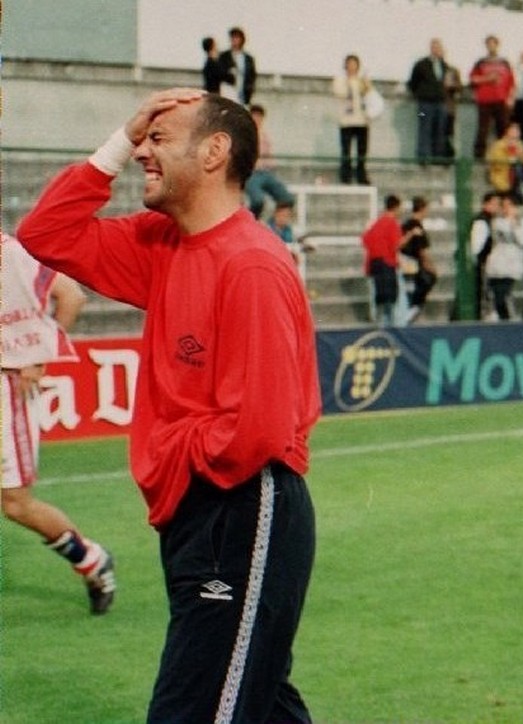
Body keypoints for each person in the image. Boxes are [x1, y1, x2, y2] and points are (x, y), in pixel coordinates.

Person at [16, 88, 319, 722]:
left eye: (160, 139)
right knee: (258, 705)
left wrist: (173, 453)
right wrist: (119, 141)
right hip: (198, 509)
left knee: (190, 709)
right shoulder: (165, 243)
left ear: (214, 152)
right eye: (143, 140)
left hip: (239, 506)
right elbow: (45, 234)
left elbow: (257, 431)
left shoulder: (251, 264)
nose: (145, 153)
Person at [1, 234, 116, 616]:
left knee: (15, 504)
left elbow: (72, 296)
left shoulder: (9, 253)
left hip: (7, 387)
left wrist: (39, 357)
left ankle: (90, 559)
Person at [407, 38, 460, 164]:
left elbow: (453, 85)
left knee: (440, 129)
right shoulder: (421, 64)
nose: (437, 50)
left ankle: (438, 157)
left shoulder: (446, 67)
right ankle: (423, 157)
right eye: (434, 48)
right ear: (431, 49)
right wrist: (420, 94)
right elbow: (412, 82)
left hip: (441, 103)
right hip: (424, 104)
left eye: (439, 48)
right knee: (424, 128)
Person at [482, 195, 523, 320]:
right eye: (504, 206)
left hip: (511, 264)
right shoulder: (496, 222)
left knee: (504, 293)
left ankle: (508, 318)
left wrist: (514, 223)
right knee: (495, 294)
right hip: (497, 263)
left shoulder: (522, 222)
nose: (506, 209)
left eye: (509, 206)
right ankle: (502, 317)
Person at [245, 105, 295, 219]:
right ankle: (251, 222)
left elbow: (270, 157)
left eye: (260, 117)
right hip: (252, 174)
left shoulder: (265, 136)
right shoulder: (245, 135)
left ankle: (274, 224)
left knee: (287, 198)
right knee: (258, 200)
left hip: (266, 173)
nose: (257, 120)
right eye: (255, 116)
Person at [362, 194, 406, 326]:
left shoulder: (377, 223)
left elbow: (365, 239)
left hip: (375, 263)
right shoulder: (392, 223)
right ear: (396, 207)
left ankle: (379, 325)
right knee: (391, 299)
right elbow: (397, 245)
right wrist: (409, 236)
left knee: (379, 298)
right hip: (387, 263)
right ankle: (391, 328)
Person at [469, 35, 515, 159]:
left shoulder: (505, 63)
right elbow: (473, 79)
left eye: (493, 43)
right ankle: (479, 156)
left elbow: (512, 82)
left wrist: (510, 98)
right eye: (489, 44)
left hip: (501, 100)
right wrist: (487, 79)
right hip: (484, 100)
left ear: (497, 45)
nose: (491, 46)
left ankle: (504, 155)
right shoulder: (480, 63)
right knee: (483, 129)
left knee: (503, 128)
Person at [333, 54, 374, 185]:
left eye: (354, 64)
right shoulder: (340, 80)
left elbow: (370, 95)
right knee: (346, 150)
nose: (352, 66)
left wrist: (366, 84)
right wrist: (349, 83)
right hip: (347, 120)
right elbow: (340, 93)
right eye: (349, 64)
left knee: (362, 151)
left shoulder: (362, 81)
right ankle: (346, 175)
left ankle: (361, 175)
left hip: (362, 120)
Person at [463, 192, 502, 321]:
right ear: (486, 204)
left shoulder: (488, 221)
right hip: (478, 267)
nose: (497, 207)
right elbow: (475, 247)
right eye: (494, 204)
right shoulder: (481, 222)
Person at [400, 196, 438, 322]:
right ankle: (412, 311)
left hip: (403, 264)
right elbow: (422, 251)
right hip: (415, 265)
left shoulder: (406, 225)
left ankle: (409, 311)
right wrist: (431, 267)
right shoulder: (417, 227)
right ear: (422, 209)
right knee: (426, 282)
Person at [485, 122, 523, 203]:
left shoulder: (520, 145)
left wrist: (521, 155)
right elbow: (495, 163)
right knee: (517, 170)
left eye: (517, 131)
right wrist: (507, 152)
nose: (515, 133)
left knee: (521, 170)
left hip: (517, 174)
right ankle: (521, 194)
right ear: (507, 132)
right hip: (501, 174)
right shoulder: (498, 145)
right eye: (513, 131)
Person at [217, 27, 257, 105]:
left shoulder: (248, 58)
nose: (234, 40)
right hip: (228, 91)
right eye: (232, 38)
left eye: (237, 37)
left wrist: (250, 89)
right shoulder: (224, 56)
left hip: (243, 92)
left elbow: (252, 75)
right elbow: (219, 73)